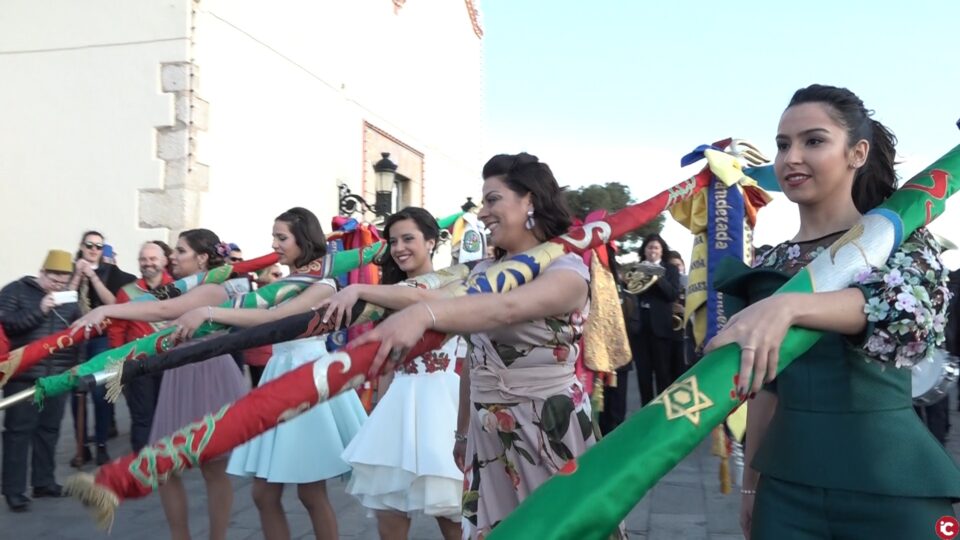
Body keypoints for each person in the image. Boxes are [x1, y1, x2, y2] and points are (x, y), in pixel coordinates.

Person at [705, 84, 960, 539]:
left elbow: (909, 318)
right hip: (786, 490)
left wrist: (790, 306)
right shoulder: (771, 264)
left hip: (891, 481)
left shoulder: (900, 244)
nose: (791, 157)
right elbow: (768, 388)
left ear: (857, 153)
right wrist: (750, 485)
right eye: (784, 145)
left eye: (814, 141)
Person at [352, 153, 624, 539]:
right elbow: (474, 360)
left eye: (492, 199)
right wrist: (463, 433)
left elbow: (503, 308)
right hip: (488, 433)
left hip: (547, 428)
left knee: (554, 529)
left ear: (529, 200)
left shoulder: (567, 271)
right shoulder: (482, 271)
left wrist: (426, 317)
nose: (482, 213)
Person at [172, 208, 366, 540]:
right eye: (273, 236)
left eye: (281, 237)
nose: (274, 244)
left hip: (306, 375)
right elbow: (259, 308)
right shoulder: (287, 280)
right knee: (263, 495)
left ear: (303, 239)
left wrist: (206, 310)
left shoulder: (323, 284)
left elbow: (276, 318)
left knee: (310, 493)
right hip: (279, 372)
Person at [75, 229, 247, 540]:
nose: (172, 257)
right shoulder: (182, 287)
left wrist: (107, 308)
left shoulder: (212, 289)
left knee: (212, 468)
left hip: (208, 375)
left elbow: (162, 310)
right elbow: (152, 305)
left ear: (202, 258)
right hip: (179, 375)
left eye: (180, 251)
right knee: (163, 465)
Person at [318, 207, 464, 540]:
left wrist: (358, 289)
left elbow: (421, 296)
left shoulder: (455, 281)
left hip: (442, 407)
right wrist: (377, 411)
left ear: (432, 241)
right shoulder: (388, 297)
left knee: (454, 519)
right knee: (389, 519)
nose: (399, 248)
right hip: (397, 406)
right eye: (393, 241)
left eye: (408, 239)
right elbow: (387, 366)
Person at [0, 250, 81, 512]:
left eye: (63, 280)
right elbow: (7, 324)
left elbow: (76, 333)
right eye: (54, 278)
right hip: (24, 375)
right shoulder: (16, 291)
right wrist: (41, 308)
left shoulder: (70, 300)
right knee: (18, 433)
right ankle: (14, 490)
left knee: (49, 430)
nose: (58, 284)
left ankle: (44, 482)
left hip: (58, 375)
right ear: (43, 272)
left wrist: (76, 367)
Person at [68, 230, 135, 466]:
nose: (94, 250)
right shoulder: (71, 270)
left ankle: (102, 445)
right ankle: (81, 446)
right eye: (89, 245)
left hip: (102, 337)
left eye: (98, 246)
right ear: (82, 246)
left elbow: (113, 304)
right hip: (76, 338)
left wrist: (93, 278)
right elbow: (65, 300)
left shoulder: (112, 274)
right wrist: (77, 275)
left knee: (100, 392)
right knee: (76, 392)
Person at [107, 241, 175, 452]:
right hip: (138, 363)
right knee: (142, 416)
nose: (148, 263)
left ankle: (166, 460)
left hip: (171, 361)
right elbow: (116, 329)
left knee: (168, 414)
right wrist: (118, 363)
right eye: (143, 259)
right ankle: (142, 464)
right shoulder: (127, 292)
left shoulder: (179, 288)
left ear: (164, 261)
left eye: (153, 259)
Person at [630, 234, 680, 404]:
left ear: (662, 251)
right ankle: (645, 415)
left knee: (663, 375)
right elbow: (631, 291)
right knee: (643, 376)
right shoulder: (637, 269)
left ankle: (663, 412)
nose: (653, 251)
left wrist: (656, 276)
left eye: (656, 248)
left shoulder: (670, 270)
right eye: (650, 247)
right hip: (640, 328)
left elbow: (672, 294)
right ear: (644, 250)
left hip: (661, 329)